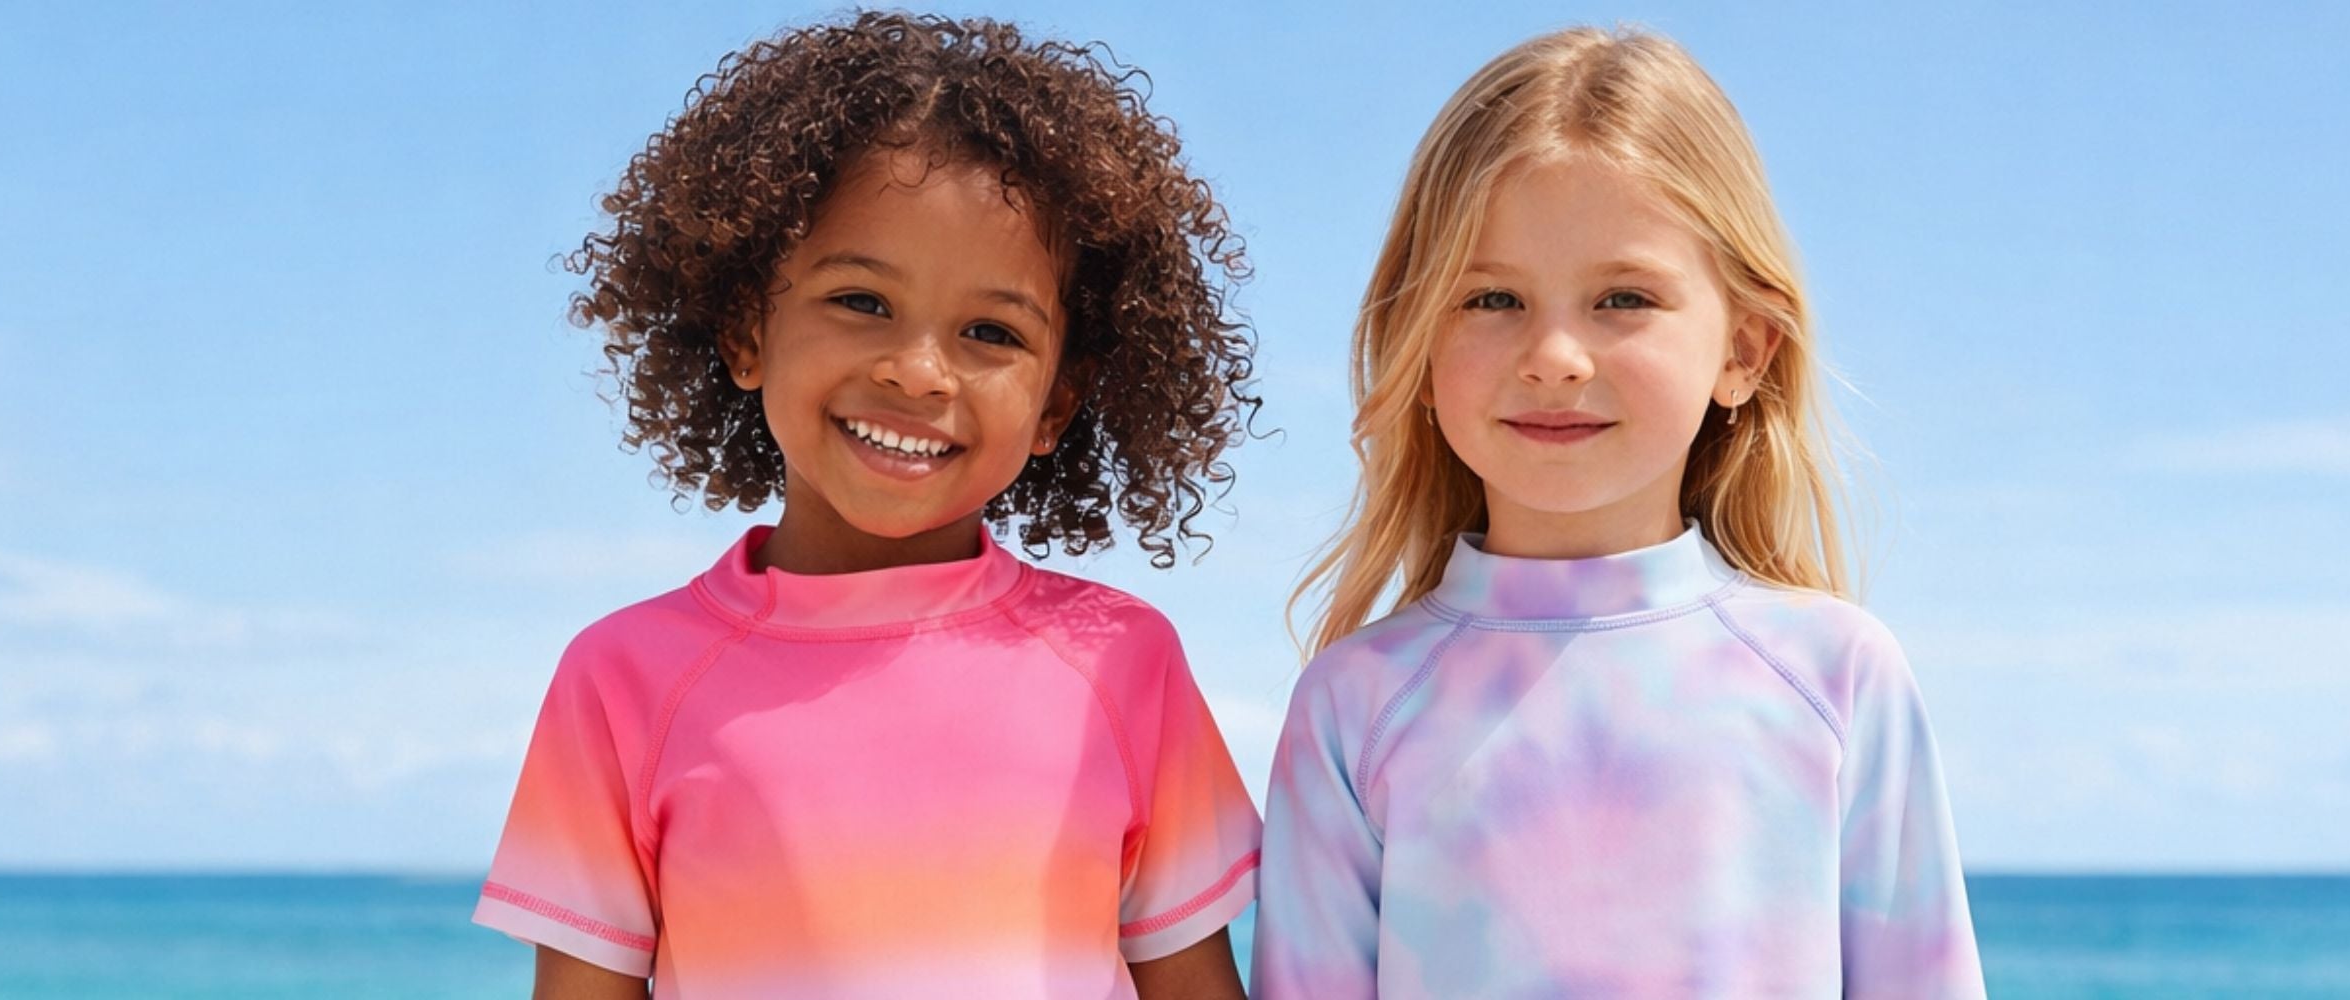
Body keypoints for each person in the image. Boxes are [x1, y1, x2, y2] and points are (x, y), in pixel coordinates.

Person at [473, 12, 1263, 997]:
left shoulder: (1122, 662)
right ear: (747, 328)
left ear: (1058, 398)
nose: (918, 371)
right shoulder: (621, 681)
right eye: (861, 301)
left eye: (990, 331)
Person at [1254, 25, 1987, 999]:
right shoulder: (1353, 709)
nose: (1555, 353)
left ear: (1746, 351)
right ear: (1416, 345)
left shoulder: (1839, 679)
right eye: (1492, 299)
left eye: (1624, 297)